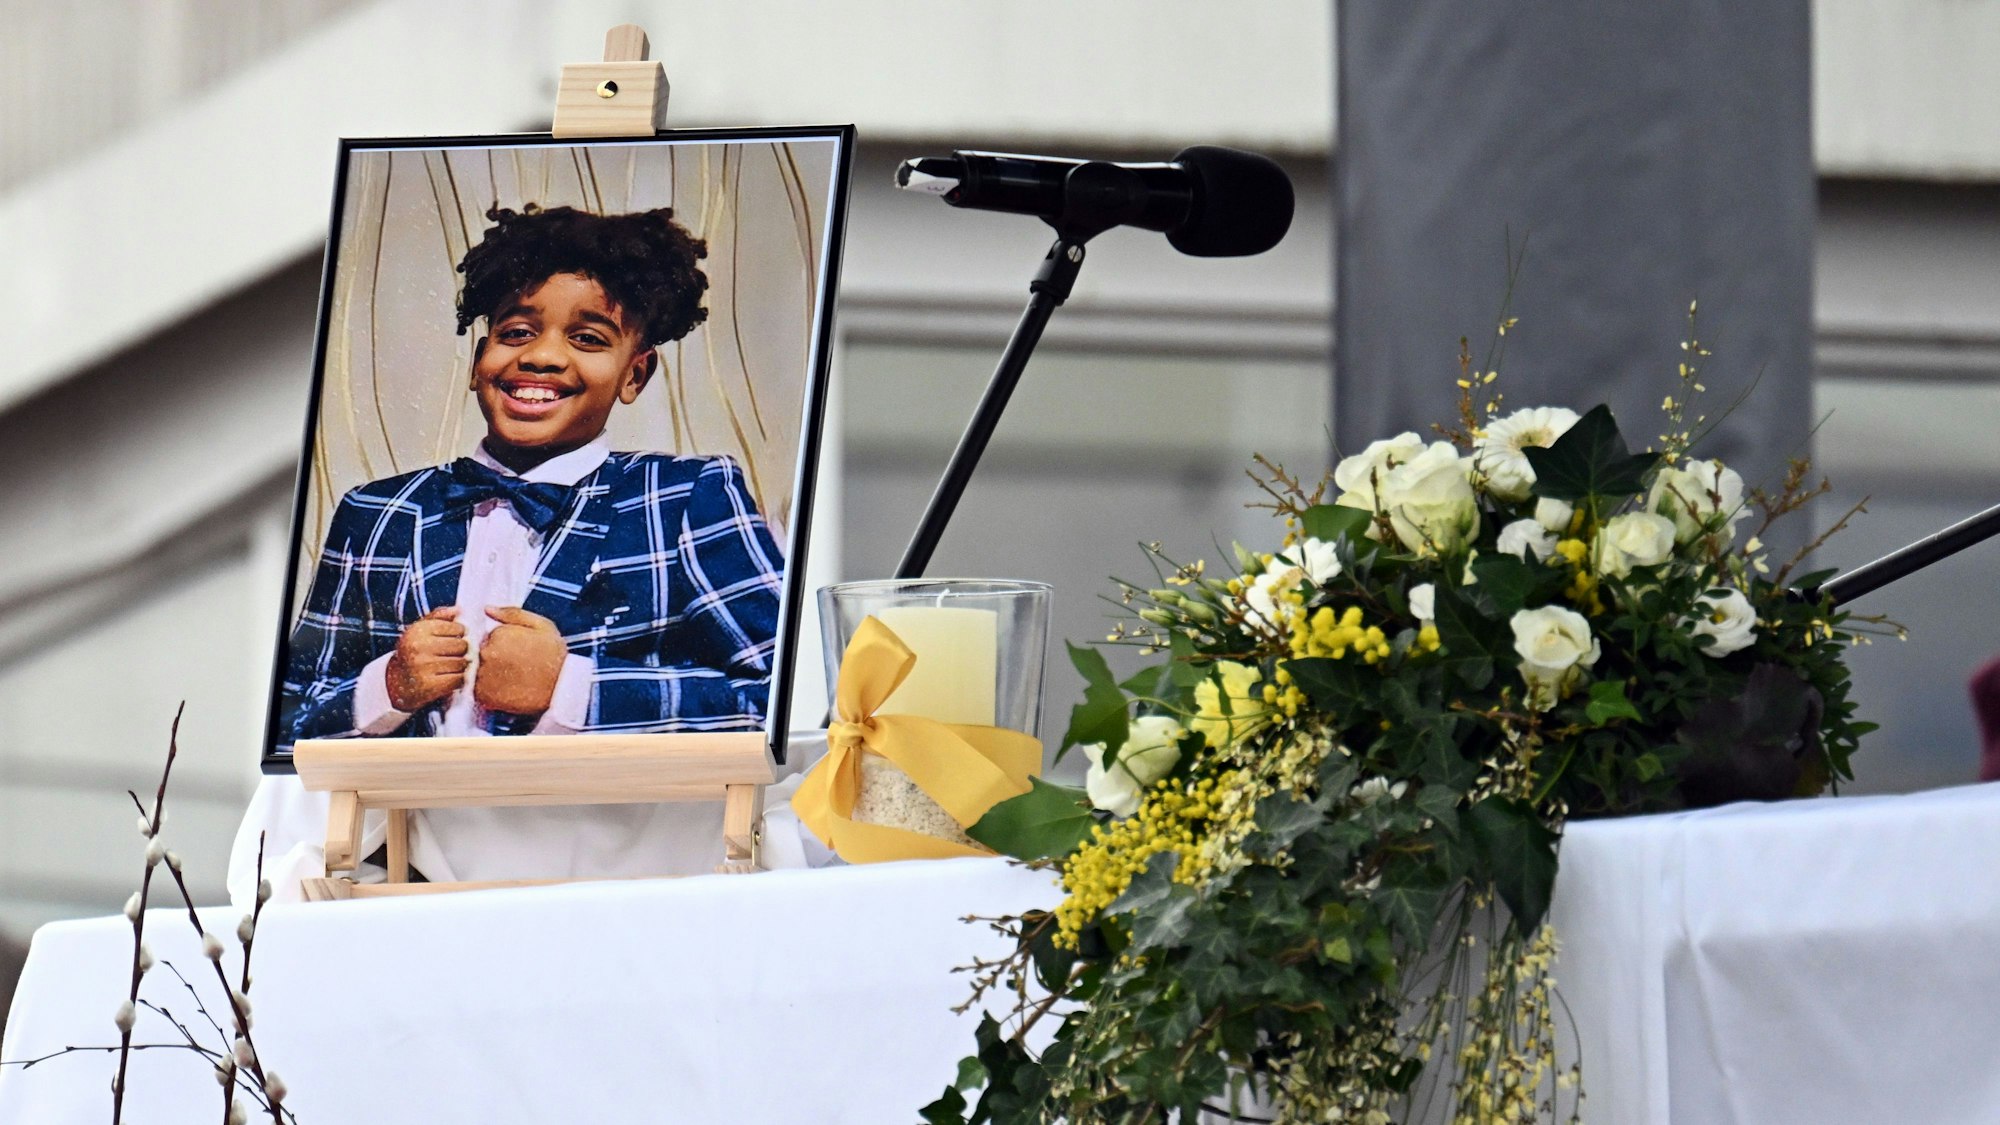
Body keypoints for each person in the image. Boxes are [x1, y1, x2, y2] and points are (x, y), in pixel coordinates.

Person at [275, 204, 784, 753]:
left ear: (634, 374)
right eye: (517, 332)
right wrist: (387, 688)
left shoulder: (685, 498)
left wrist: (572, 690)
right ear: (478, 362)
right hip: (413, 813)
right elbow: (285, 724)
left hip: (604, 812)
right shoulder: (376, 513)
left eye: (588, 338)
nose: (542, 356)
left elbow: (780, 698)